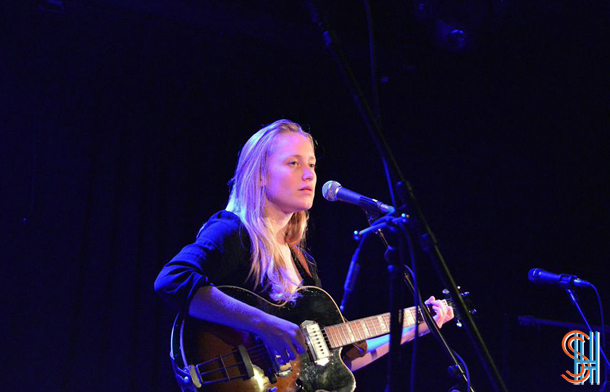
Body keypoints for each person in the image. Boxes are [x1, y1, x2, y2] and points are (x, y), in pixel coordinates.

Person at [154, 119, 453, 381]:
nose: (309, 175)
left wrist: (421, 325)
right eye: (293, 163)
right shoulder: (233, 231)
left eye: (311, 164)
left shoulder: (302, 263)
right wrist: (267, 326)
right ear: (259, 174)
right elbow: (172, 280)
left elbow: (338, 361)